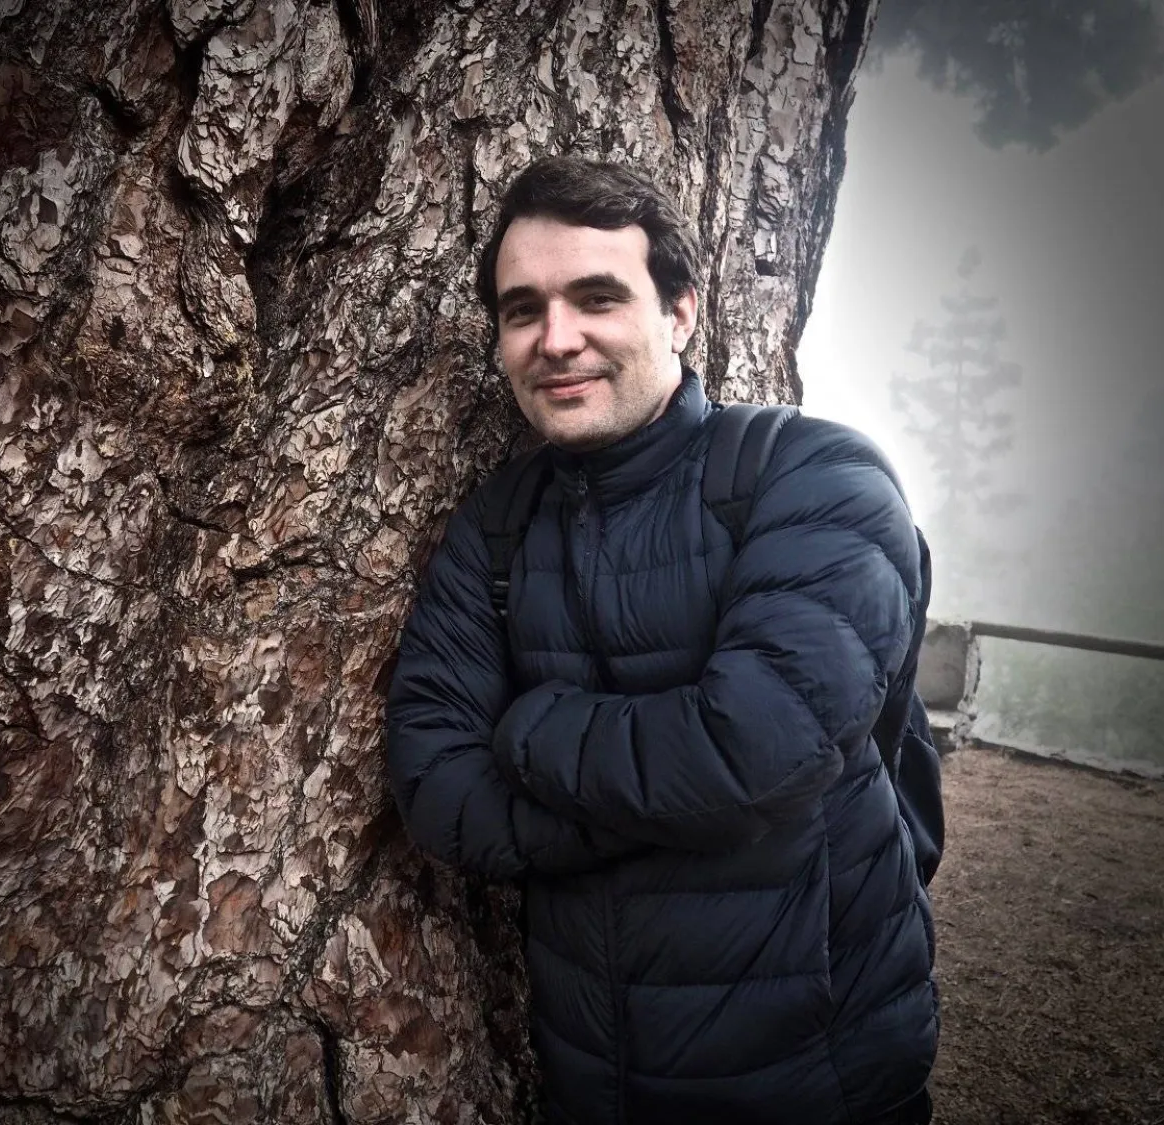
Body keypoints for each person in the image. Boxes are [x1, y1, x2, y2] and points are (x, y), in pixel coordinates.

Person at [383, 155, 938, 1125]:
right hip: (595, 1083)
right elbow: (438, 791)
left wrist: (534, 730)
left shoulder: (815, 479)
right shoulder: (495, 530)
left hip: (825, 1077)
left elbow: (753, 749)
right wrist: (693, 805)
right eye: (523, 310)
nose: (557, 339)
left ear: (680, 310)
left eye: (597, 296)